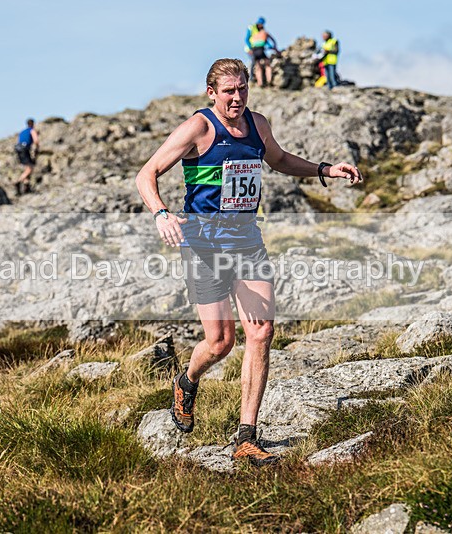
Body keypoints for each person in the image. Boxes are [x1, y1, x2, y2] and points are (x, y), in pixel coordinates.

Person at [135, 58, 363, 466]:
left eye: (242, 89)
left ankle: (247, 437)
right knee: (221, 343)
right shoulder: (199, 128)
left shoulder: (258, 124)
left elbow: (279, 160)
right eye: (229, 91)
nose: (237, 97)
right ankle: (186, 381)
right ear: (212, 94)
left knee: (261, 333)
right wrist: (161, 213)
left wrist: (326, 170)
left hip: (246, 242)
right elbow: (146, 174)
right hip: (203, 246)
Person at [244, 17, 277, 88]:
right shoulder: (261, 31)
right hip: (256, 50)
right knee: (266, 64)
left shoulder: (257, 33)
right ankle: (267, 81)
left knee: (258, 66)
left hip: (254, 50)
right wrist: (272, 47)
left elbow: (260, 41)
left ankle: (260, 83)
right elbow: (269, 41)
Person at [14, 118, 39, 195]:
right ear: (33, 124)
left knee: (26, 167)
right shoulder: (32, 130)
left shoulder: (22, 132)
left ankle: (26, 186)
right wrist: (37, 149)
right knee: (30, 168)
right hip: (25, 149)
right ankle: (18, 182)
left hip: (19, 149)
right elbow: (36, 140)